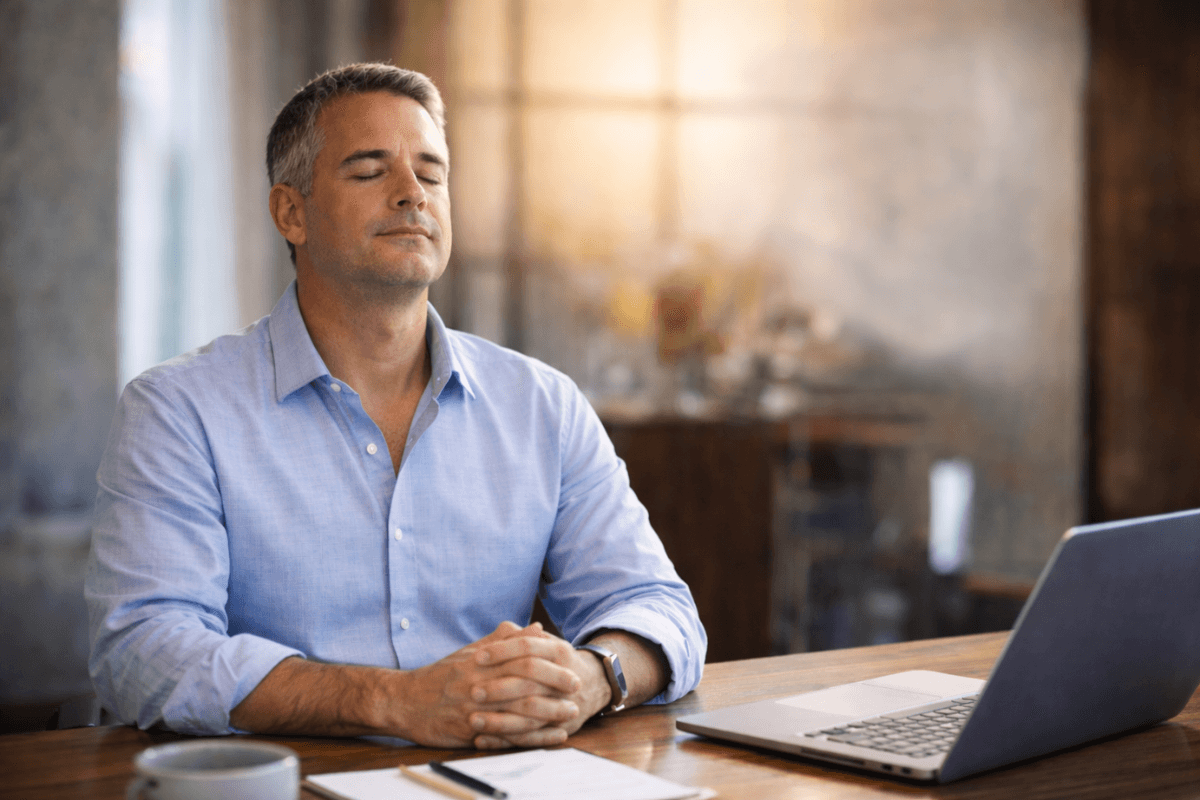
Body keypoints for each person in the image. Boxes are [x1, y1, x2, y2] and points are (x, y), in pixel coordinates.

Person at [85, 63, 705, 749]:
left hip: (502, 778)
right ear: (291, 212)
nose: (413, 194)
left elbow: (658, 608)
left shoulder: (543, 405)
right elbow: (143, 652)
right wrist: (394, 701)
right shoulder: (177, 410)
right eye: (369, 171)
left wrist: (590, 678)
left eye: (432, 173)